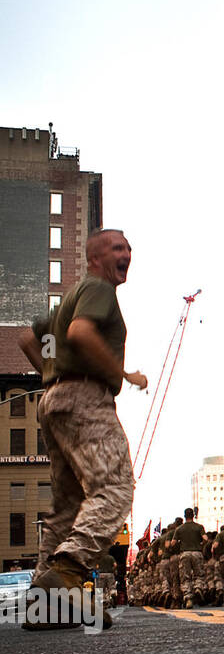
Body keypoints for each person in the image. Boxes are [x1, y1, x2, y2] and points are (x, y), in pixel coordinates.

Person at [17, 228, 146, 630]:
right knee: (115, 487)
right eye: (116, 248)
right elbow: (81, 333)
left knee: (67, 507)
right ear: (95, 257)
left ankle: (46, 604)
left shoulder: (65, 302)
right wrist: (121, 373)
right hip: (85, 401)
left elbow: (29, 337)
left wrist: (51, 372)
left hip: (54, 402)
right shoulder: (98, 290)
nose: (126, 253)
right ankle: (69, 569)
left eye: (128, 247)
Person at [173, 508, 206, 609]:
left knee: (185, 576)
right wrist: (201, 544)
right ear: (193, 515)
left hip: (185, 553)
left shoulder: (179, 529)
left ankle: (188, 598)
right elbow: (205, 538)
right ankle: (198, 588)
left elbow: (172, 543)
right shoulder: (199, 527)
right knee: (199, 574)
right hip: (197, 552)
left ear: (184, 516)